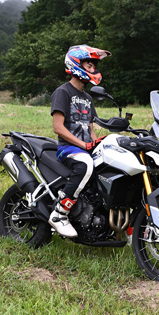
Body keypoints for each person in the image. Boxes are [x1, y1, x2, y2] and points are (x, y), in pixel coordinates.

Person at [49, 45, 110, 238]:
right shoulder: (63, 92)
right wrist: (83, 146)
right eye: (89, 64)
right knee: (85, 164)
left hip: (85, 148)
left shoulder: (87, 98)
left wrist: (97, 144)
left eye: (94, 65)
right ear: (76, 63)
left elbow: (90, 128)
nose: (93, 69)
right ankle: (60, 214)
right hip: (67, 149)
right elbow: (58, 127)